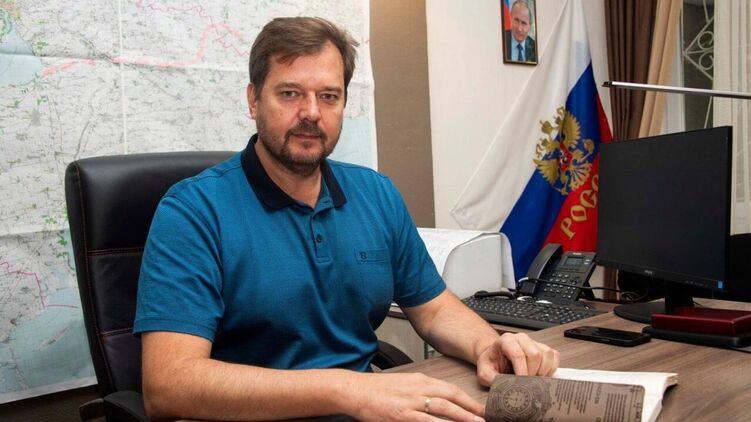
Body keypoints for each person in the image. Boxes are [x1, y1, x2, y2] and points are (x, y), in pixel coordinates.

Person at [134, 16, 559, 422]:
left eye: (328, 96)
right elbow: (169, 384)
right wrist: (348, 389)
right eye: (290, 93)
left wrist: (487, 344)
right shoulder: (193, 210)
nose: (311, 112)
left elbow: (433, 310)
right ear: (253, 100)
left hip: (366, 409)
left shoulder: (376, 194)